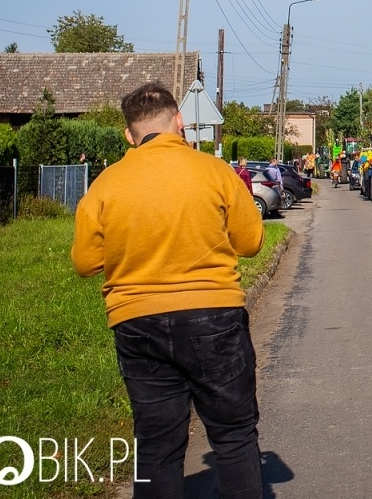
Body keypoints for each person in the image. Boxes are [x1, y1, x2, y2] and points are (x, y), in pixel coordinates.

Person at [71, 81, 265, 499]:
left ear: (129, 135)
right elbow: (250, 243)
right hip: (214, 315)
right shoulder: (215, 172)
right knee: (233, 436)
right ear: (180, 122)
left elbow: (85, 263)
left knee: (156, 446)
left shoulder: (105, 184)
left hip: (136, 321)